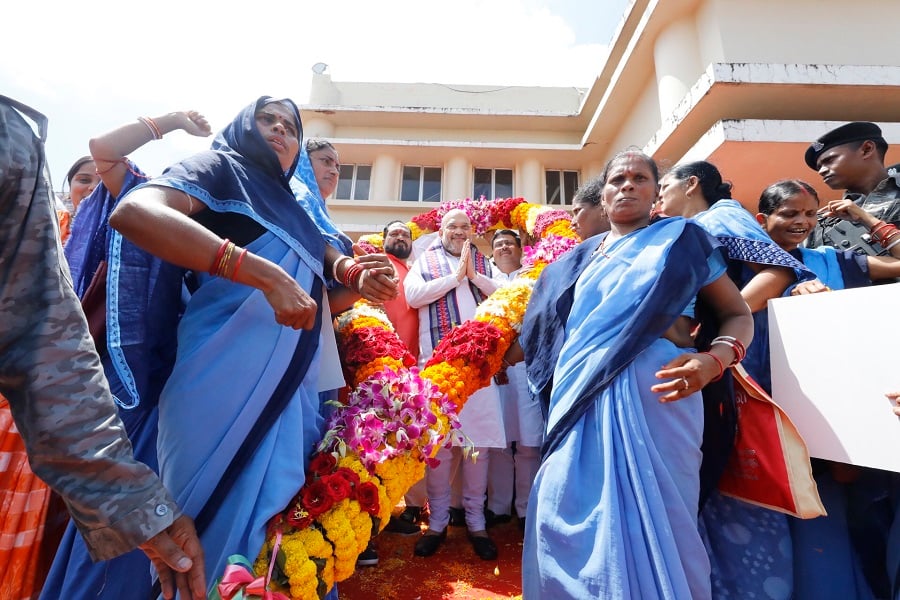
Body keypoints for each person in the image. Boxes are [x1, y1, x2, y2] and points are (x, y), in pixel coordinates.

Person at [107, 96, 395, 590]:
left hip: (294, 391)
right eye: (267, 119)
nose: (280, 130)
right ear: (243, 127)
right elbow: (135, 212)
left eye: (290, 126)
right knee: (201, 541)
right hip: (215, 379)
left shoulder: (300, 211)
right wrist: (256, 271)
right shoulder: (220, 167)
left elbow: (323, 282)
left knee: (281, 537)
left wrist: (357, 277)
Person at [518, 150, 753, 598]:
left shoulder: (684, 240)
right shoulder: (570, 265)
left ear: (656, 194)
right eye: (617, 179)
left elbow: (737, 314)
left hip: (661, 397)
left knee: (663, 521)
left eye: (640, 178)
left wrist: (714, 361)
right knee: (562, 505)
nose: (627, 185)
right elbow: (543, 339)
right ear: (602, 196)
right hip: (577, 400)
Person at [0, 95, 206, 600]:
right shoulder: (64, 225)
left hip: (77, 402)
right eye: (83, 180)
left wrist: (134, 507)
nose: (94, 187)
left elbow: (38, 333)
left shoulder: (13, 145)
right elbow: (104, 150)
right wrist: (174, 120)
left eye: (99, 180)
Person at [658, 160, 817, 599]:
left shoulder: (720, 215)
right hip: (719, 366)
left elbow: (779, 270)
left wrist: (725, 330)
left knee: (744, 496)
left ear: (691, 185)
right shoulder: (689, 227)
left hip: (739, 369)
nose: (657, 197)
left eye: (663, 187)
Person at [757, 179, 900, 599]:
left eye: (809, 214)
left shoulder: (832, 261)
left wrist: (862, 216)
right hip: (772, 420)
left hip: (842, 422)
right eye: (788, 214)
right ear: (763, 220)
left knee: (854, 521)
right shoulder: (741, 270)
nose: (800, 222)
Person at [405, 209, 504, 560]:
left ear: (472, 231)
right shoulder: (424, 261)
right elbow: (414, 295)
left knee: (478, 446)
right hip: (437, 369)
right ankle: (436, 525)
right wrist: (453, 278)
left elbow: (504, 295)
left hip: (478, 371)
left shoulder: (483, 263)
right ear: (441, 231)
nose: (458, 232)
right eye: (452, 226)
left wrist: (474, 276)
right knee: (439, 449)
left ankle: (476, 524)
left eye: (465, 227)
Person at [485, 229, 541, 532]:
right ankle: (498, 506)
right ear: (492, 253)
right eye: (498, 244)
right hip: (493, 370)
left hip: (527, 367)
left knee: (530, 444)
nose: (504, 247)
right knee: (499, 442)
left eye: (509, 243)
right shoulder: (481, 278)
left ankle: (527, 508)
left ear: (521, 249)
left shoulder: (534, 276)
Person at [377, 220, 429, 537]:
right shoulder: (375, 263)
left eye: (405, 234)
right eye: (393, 232)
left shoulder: (414, 273)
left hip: (409, 372)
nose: (400, 237)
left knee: (401, 443)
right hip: (378, 368)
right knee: (373, 444)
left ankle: (400, 509)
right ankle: (372, 520)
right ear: (383, 239)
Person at [805, 121, 900, 252]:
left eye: (829, 160)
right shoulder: (825, 220)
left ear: (867, 149)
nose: (822, 171)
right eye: (819, 167)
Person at [56, 155, 100, 244]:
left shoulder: (125, 231)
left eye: (104, 183)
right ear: (70, 187)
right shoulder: (52, 223)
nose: (94, 187)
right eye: (84, 180)